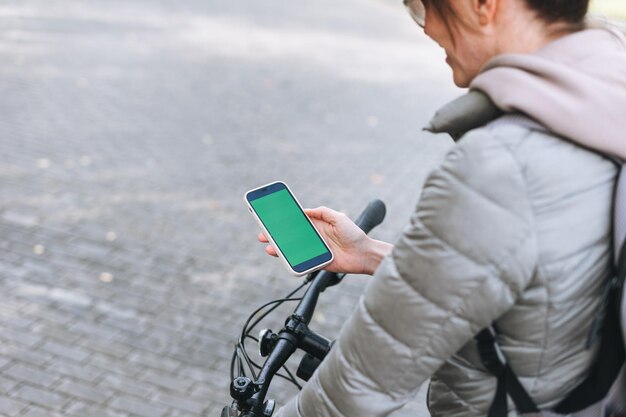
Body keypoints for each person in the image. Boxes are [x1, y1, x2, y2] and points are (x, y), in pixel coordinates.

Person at [259, 0, 626, 415]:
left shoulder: (498, 166)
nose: (427, 26)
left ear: (483, 6)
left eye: (424, 6)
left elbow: (359, 384)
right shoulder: (607, 88)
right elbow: (531, 272)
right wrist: (370, 254)